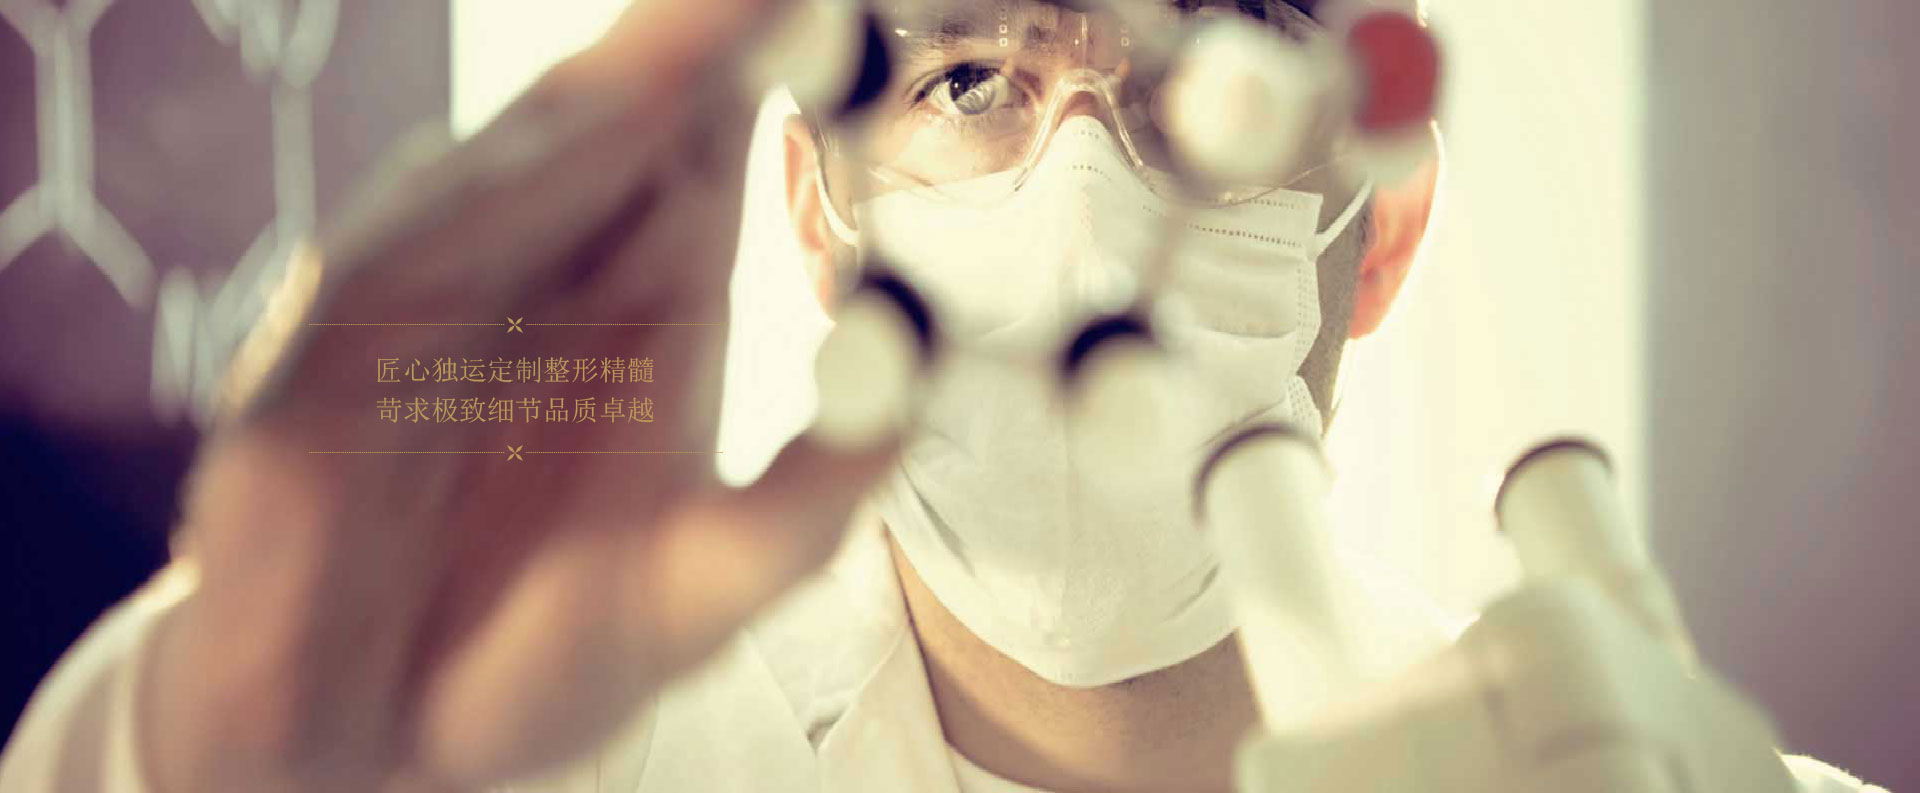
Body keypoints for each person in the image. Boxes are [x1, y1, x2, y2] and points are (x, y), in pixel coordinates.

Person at [0, 0, 1889, 791]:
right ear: (819, 218)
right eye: (972, 79)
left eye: (1204, 89)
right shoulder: (557, 761)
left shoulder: (1653, 781)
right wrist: (236, 712)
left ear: (1377, 235)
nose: (1086, 204)